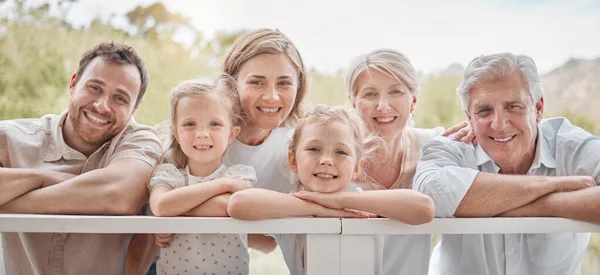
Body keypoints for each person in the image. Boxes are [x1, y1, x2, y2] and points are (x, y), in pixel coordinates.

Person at [413, 52, 600, 275]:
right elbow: (430, 193)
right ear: (469, 118)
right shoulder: (452, 147)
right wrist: (556, 186)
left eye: (513, 107)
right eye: (484, 111)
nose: (499, 124)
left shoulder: (571, 146)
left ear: (538, 108)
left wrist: (541, 206)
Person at [0, 42, 162, 275]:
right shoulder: (9, 138)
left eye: (120, 98)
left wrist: (8, 203)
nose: (101, 106)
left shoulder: (142, 141)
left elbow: (118, 196)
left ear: (134, 109)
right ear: (74, 83)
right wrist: (41, 176)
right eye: (95, 88)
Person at [228, 105, 435, 275]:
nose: (326, 160)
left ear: (357, 167)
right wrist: (317, 208)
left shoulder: (363, 203)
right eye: (314, 149)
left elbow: (424, 208)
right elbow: (239, 204)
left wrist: (340, 201)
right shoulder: (288, 207)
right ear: (293, 160)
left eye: (341, 152)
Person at [342, 48, 476, 275]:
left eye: (395, 92)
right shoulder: (335, 158)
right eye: (370, 94)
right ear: (353, 102)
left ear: (413, 100)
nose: (383, 105)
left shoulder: (434, 146)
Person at [144, 74, 257, 274]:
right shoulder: (169, 174)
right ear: (176, 133)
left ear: (232, 133)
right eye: (190, 124)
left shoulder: (239, 174)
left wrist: (176, 210)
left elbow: (227, 207)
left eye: (215, 124)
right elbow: (162, 206)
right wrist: (222, 186)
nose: (202, 134)